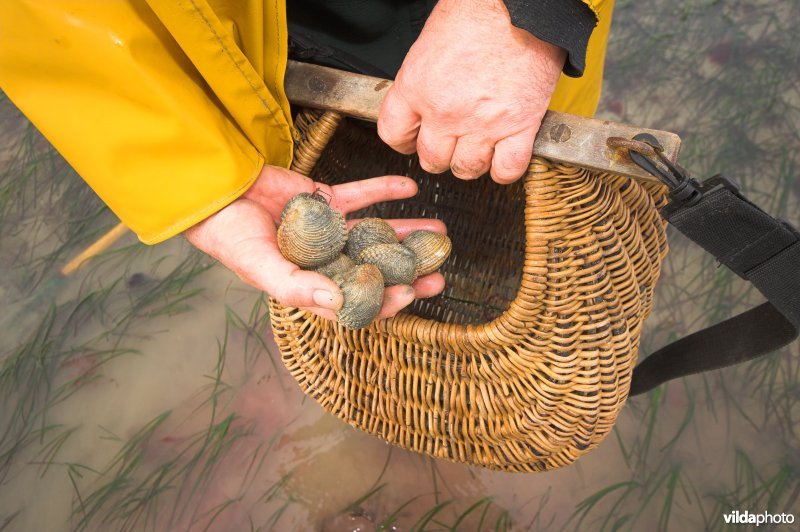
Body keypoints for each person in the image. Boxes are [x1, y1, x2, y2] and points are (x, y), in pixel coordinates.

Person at [0, 0, 613, 324]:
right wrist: (196, 172)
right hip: (264, 33)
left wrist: (525, 12)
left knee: (517, 168)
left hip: (485, 26)